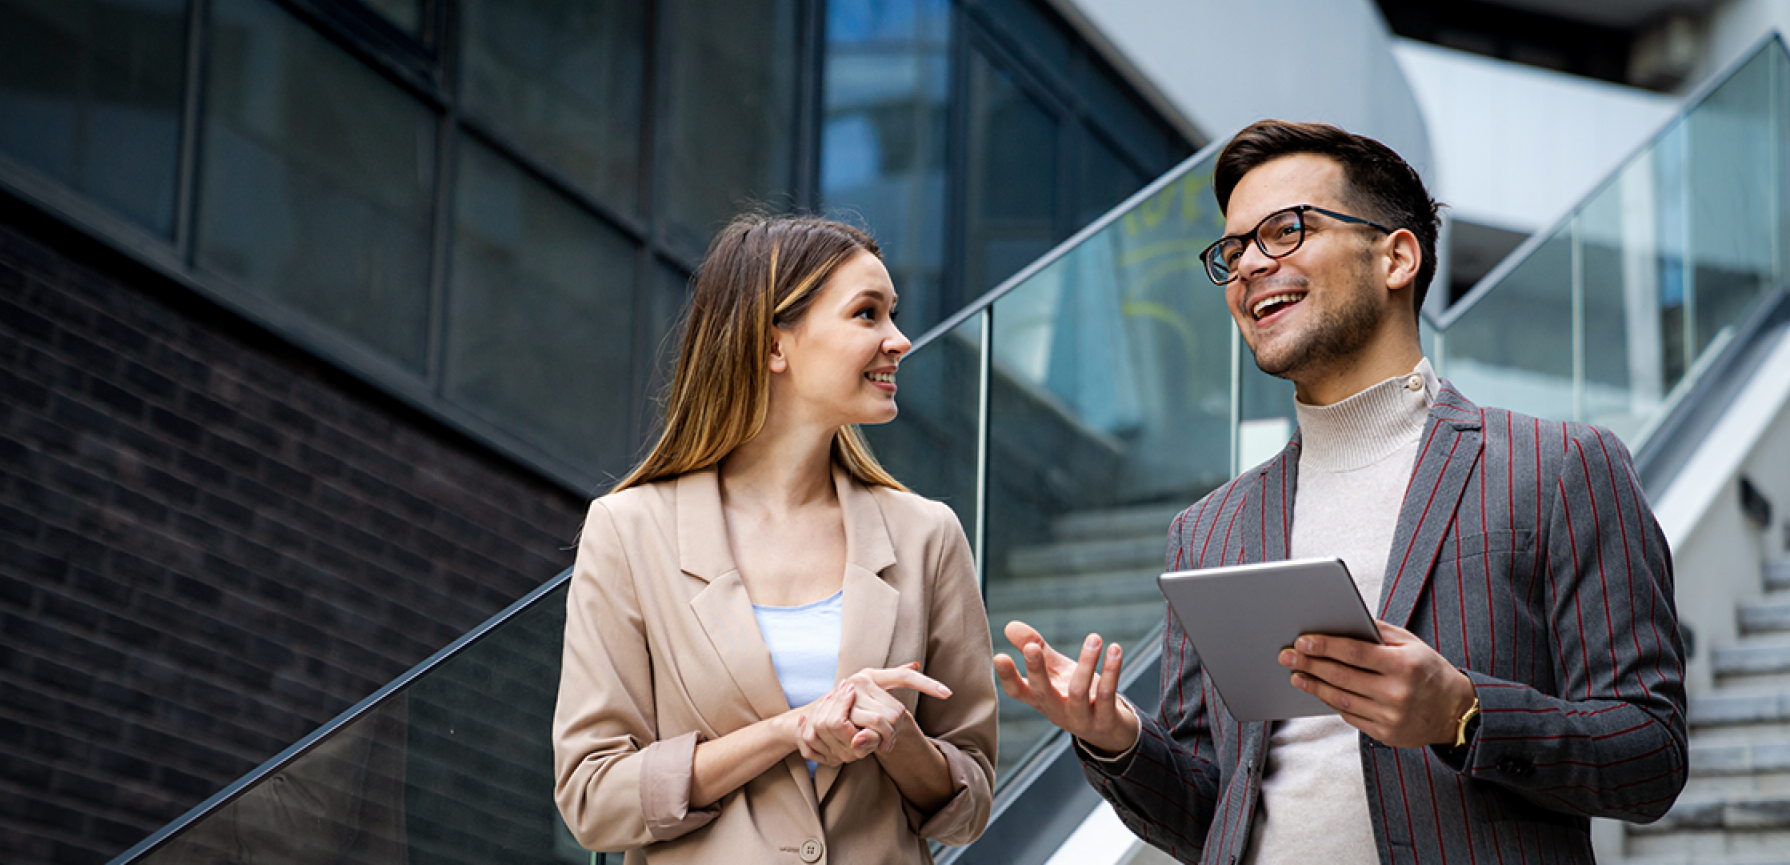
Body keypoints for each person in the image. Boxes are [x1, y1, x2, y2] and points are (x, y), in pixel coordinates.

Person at [995, 121, 1687, 863]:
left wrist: (1464, 715)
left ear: (1396, 257)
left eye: (1286, 231)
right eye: (1233, 250)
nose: (1249, 266)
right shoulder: (1209, 530)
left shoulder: (1559, 467)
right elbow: (1210, 814)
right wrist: (1116, 738)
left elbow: (1649, 758)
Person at [553, 212, 998, 864]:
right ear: (773, 346)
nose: (899, 340)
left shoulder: (926, 535)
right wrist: (790, 731)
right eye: (867, 315)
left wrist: (902, 739)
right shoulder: (629, 531)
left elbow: (972, 802)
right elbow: (593, 799)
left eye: (893, 314)